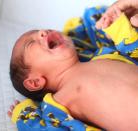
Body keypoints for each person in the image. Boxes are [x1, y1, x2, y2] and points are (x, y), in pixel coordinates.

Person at [9, 5, 138, 131]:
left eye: (42, 30)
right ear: (35, 82)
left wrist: (120, 30)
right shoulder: (59, 102)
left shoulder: (103, 55)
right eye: (31, 43)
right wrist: (25, 114)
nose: (43, 32)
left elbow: (134, 53)